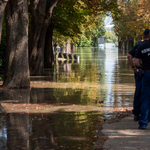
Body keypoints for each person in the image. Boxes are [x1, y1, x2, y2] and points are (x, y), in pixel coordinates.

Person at [127, 29, 150, 121]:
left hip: (140, 72)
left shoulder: (139, 45)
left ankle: (137, 113)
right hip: (145, 71)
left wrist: (134, 67)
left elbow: (129, 56)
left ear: (143, 36)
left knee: (139, 91)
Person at [134, 29, 150, 129]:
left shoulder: (142, 46)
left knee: (145, 98)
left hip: (147, 74)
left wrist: (143, 65)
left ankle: (143, 122)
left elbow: (135, 61)